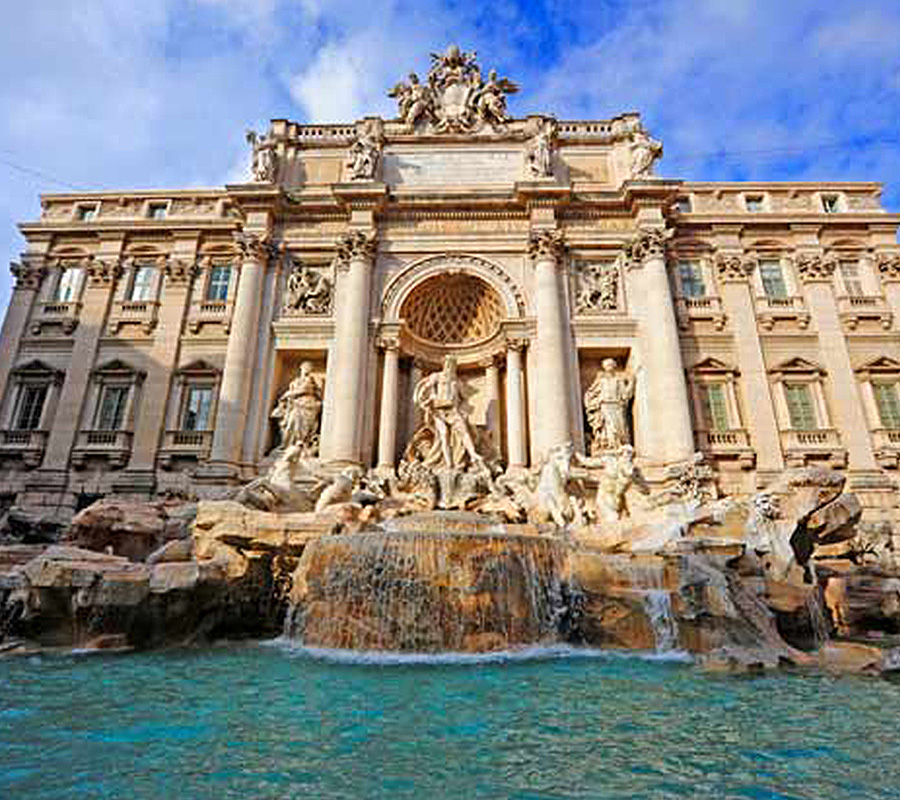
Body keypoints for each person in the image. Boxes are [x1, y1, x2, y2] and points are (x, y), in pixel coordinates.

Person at [584, 358, 634, 453]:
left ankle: (619, 445)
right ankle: (608, 445)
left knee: (619, 426)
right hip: (605, 405)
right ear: (604, 367)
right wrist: (594, 403)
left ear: (614, 366)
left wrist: (631, 383)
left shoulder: (619, 380)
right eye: (607, 365)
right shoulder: (601, 381)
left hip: (617, 406)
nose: (609, 367)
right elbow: (591, 393)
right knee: (608, 427)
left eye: (611, 365)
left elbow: (625, 395)